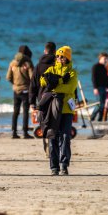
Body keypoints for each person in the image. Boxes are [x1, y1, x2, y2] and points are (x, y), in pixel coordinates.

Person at [40, 46, 78, 176]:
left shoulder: (72, 72)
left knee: (66, 136)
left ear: (67, 58)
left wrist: (54, 85)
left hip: (67, 109)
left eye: (62, 56)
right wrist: (60, 80)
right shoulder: (51, 69)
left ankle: (64, 165)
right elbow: (42, 81)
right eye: (57, 56)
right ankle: (54, 167)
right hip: (53, 108)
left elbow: (70, 88)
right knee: (53, 136)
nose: (59, 58)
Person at [7, 45, 34, 139]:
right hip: (26, 90)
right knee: (25, 111)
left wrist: (14, 84)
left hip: (16, 90)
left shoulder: (12, 63)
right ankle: (25, 132)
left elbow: (8, 77)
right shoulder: (28, 63)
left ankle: (14, 132)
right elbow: (32, 78)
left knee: (16, 111)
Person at [90, 52, 108, 121]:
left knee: (103, 105)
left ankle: (100, 119)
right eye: (104, 59)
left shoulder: (104, 68)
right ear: (100, 58)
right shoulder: (95, 66)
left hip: (104, 88)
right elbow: (93, 78)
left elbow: (106, 79)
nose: (106, 60)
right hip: (98, 88)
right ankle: (92, 118)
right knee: (99, 105)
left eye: (107, 59)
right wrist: (95, 88)